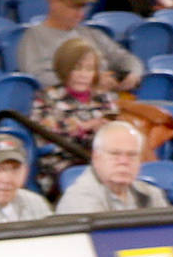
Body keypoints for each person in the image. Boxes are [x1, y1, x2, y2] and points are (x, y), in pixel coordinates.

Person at [18, 0, 145, 92]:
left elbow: (125, 58)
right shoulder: (35, 36)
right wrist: (92, 80)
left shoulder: (90, 34)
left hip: (106, 103)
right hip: (65, 107)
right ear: (53, 2)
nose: (81, 14)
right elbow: (39, 78)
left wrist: (133, 74)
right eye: (74, 6)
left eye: (83, 6)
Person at [30, 38, 123, 196]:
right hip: (62, 164)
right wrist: (84, 127)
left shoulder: (104, 99)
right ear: (65, 69)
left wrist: (105, 131)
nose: (83, 75)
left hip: (102, 161)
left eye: (89, 69)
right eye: (77, 69)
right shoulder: (47, 98)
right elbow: (43, 134)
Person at [56, 120, 171, 213]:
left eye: (132, 155)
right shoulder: (78, 200)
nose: (124, 161)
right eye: (115, 154)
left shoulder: (151, 194)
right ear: (96, 157)